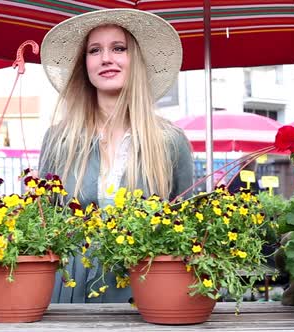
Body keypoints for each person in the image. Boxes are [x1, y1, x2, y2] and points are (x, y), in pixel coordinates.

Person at [38, 9, 194, 303]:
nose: (106, 58)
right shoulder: (59, 140)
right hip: (69, 291)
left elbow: (185, 229)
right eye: (94, 50)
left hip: (143, 290)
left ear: (136, 60)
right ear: (84, 65)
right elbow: (43, 221)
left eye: (118, 48)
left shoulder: (170, 142)